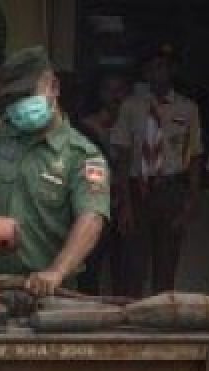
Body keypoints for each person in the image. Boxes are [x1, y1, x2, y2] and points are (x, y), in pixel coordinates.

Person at [0, 46, 110, 295]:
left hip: (46, 295)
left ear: (54, 88)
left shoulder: (83, 156)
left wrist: (56, 272)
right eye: (12, 100)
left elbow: (91, 220)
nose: (20, 105)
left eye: (27, 94)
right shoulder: (0, 133)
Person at [111, 45, 203, 297]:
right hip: (138, 189)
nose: (158, 73)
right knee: (134, 266)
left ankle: (162, 327)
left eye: (163, 67)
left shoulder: (188, 108)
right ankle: (133, 329)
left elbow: (194, 155)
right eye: (152, 68)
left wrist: (191, 200)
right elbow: (123, 155)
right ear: (145, 72)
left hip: (171, 188)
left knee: (167, 264)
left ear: (173, 70)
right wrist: (125, 204)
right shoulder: (131, 106)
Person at [75, 71, 130, 295]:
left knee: (125, 267)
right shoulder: (84, 129)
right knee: (90, 266)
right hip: (93, 202)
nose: (115, 96)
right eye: (109, 90)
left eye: (120, 91)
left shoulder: (131, 125)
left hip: (124, 203)